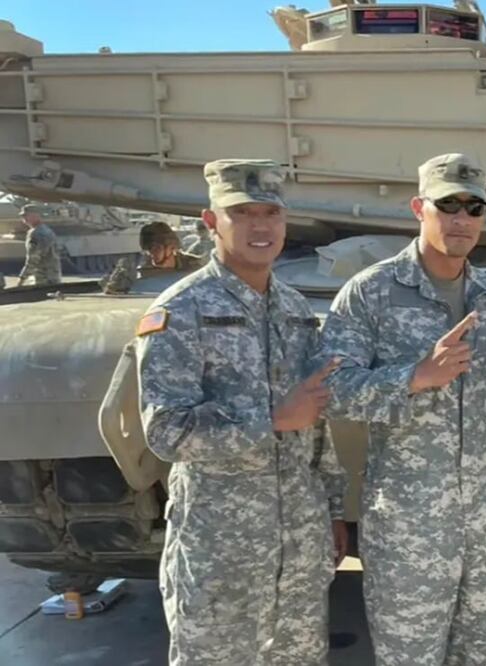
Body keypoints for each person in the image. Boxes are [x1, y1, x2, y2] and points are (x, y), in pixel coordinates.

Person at [318, 153, 486, 666]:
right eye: (448, 205)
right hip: (407, 525)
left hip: (482, 520)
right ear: (419, 208)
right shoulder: (371, 292)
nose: (461, 219)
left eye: (474, 207)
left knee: (483, 654)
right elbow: (333, 390)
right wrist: (415, 378)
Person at [135, 159, 348, 666]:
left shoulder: (295, 311)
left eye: (270, 212)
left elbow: (315, 422)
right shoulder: (181, 310)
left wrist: (334, 510)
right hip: (220, 551)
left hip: (298, 546)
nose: (259, 226)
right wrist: (270, 419)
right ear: (211, 222)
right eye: (241, 212)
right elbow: (165, 430)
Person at [15, 204, 61, 287]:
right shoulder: (47, 230)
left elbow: (33, 259)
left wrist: (21, 279)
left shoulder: (36, 233)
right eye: (23, 216)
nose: (24, 219)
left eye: (26, 215)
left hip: (42, 278)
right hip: (52, 276)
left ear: (36, 216)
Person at [139, 221, 206, 271]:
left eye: (157, 248)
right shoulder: (144, 272)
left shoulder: (195, 266)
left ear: (171, 247)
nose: (151, 254)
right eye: (148, 249)